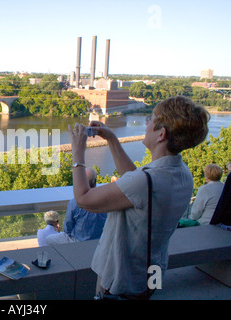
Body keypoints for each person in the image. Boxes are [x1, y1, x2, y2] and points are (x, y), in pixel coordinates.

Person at [69, 96, 209, 299]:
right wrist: (112, 139)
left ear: (161, 134)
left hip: (123, 277)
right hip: (153, 269)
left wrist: (77, 153)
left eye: (151, 119)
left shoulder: (146, 181)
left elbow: (83, 198)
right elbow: (135, 182)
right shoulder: (182, 173)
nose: (146, 123)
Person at [46, 168, 107, 245]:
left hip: (78, 241)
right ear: (95, 181)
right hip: (100, 240)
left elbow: (67, 229)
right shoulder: (106, 200)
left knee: (48, 239)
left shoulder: (75, 203)